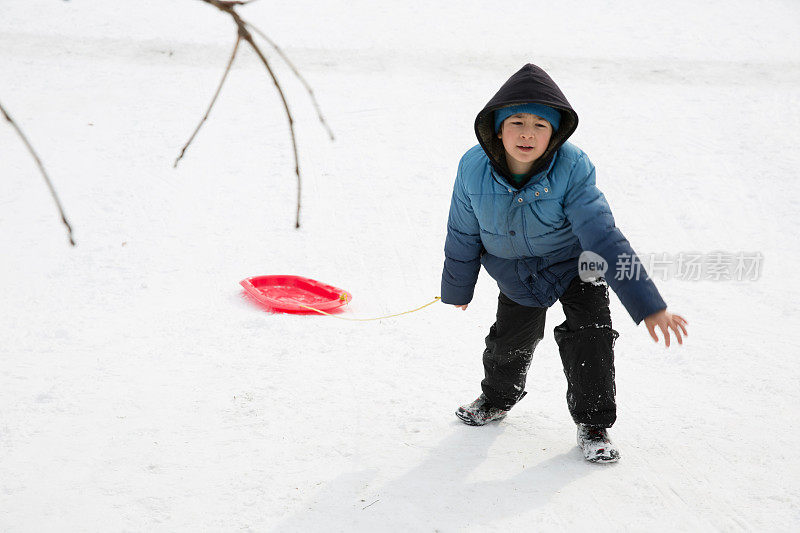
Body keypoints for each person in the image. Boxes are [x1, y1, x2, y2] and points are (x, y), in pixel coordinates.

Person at [441, 63, 688, 463]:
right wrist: (458, 286)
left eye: (540, 124)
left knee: (591, 336)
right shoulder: (473, 168)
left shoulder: (573, 168)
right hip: (516, 271)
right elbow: (462, 230)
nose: (527, 133)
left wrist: (650, 306)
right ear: (496, 128)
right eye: (516, 122)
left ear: (555, 133)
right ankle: (497, 398)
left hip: (577, 264)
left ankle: (593, 423)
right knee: (509, 342)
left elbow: (604, 237)